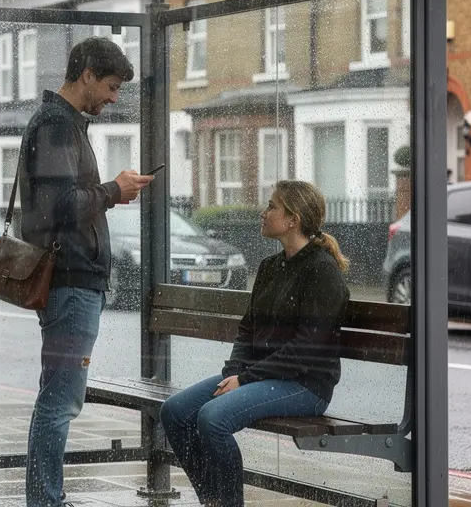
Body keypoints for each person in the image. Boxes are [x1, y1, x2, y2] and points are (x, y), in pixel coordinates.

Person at [19, 37, 154, 507]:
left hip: (73, 282)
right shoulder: (57, 125)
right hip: (72, 284)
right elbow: (59, 207)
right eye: (112, 87)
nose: (115, 98)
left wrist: (111, 190)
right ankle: (45, 501)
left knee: (56, 397)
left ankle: (45, 498)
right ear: (87, 75)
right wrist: (113, 190)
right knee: (60, 402)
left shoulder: (63, 123)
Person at [159, 180, 351, 507]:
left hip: (305, 385)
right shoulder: (270, 267)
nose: (263, 213)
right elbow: (247, 329)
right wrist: (233, 372)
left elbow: (306, 349)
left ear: (293, 220)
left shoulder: (321, 271)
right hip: (260, 376)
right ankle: (214, 500)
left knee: (212, 419)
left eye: (272, 207)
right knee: (175, 412)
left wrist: (245, 379)